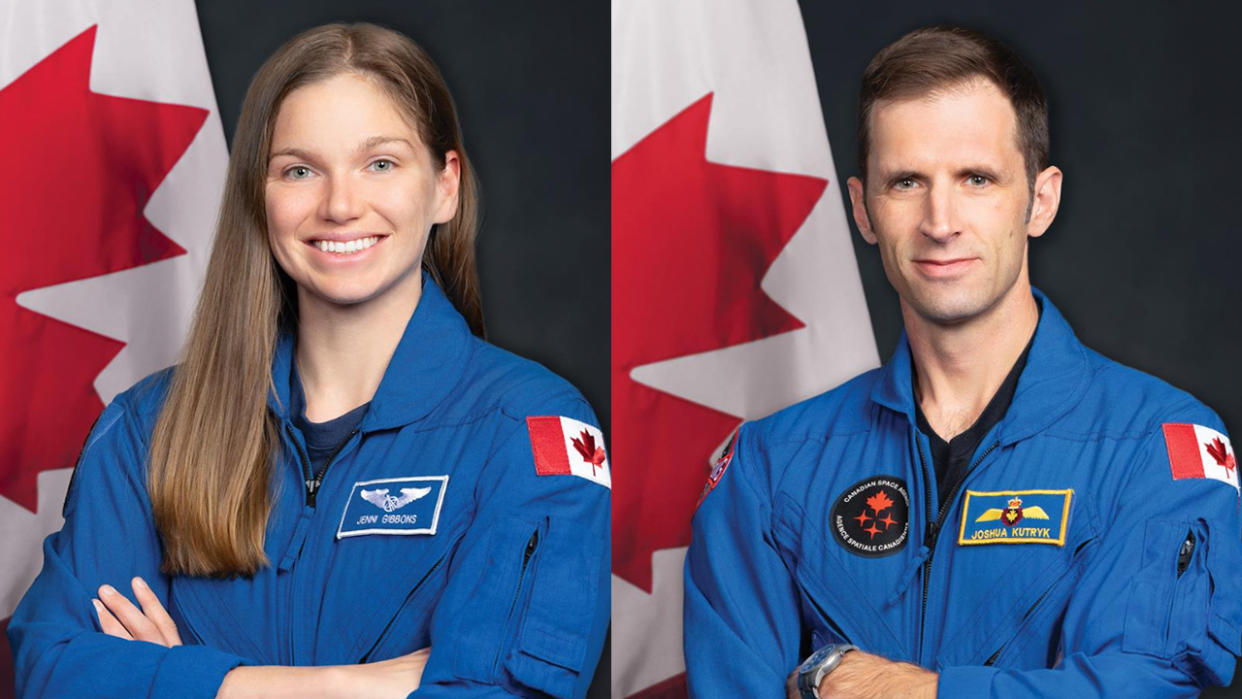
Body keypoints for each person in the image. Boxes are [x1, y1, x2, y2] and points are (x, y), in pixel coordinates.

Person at [8, 22, 610, 699]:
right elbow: (52, 669)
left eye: (380, 163)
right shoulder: (150, 428)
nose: (341, 205)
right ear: (259, 198)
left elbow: (501, 692)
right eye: (299, 170)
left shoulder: (531, 429)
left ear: (446, 186)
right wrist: (347, 683)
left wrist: (177, 680)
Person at [684, 25, 1242, 698]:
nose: (939, 220)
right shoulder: (768, 468)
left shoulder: (1156, 448)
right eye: (906, 182)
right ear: (863, 210)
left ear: (1040, 199)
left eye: (976, 178)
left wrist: (913, 691)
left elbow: (1139, 683)